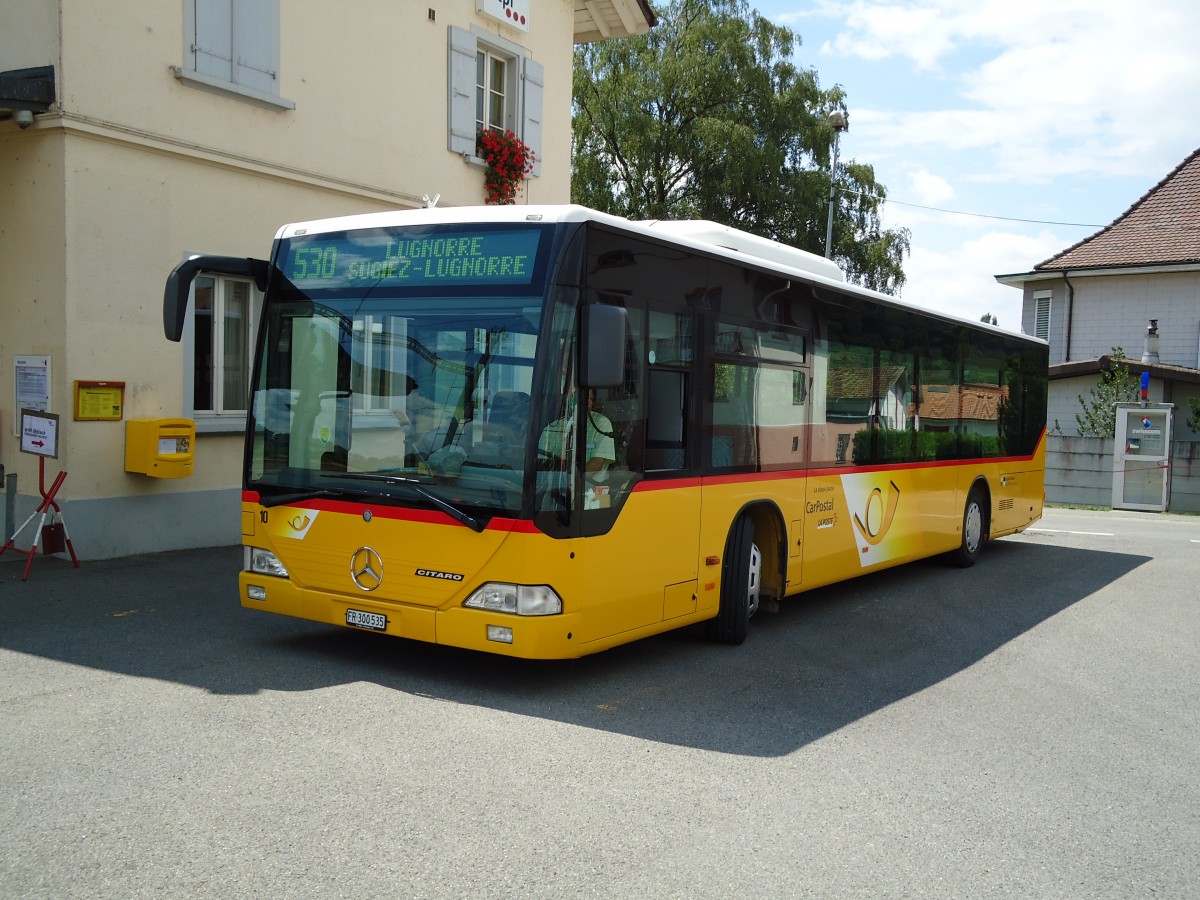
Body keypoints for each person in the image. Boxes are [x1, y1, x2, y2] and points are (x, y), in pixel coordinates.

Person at [539, 388, 615, 476]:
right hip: (555, 486)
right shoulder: (551, 428)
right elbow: (541, 463)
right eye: (582, 398)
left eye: (591, 399)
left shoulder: (601, 423)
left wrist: (575, 480)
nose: (588, 403)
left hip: (590, 486)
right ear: (566, 399)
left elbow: (597, 462)